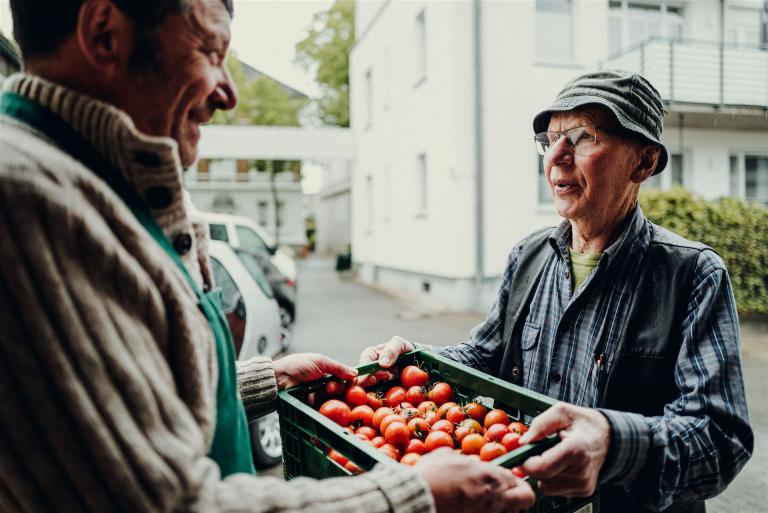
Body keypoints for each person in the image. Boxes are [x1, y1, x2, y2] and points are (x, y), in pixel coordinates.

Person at [0, 1, 536, 512]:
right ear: (104, 34)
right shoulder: (29, 204)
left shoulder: (105, 182)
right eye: (211, 52)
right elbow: (155, 504)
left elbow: (125, 402)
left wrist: (258, 381)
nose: (228, 93)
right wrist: (413, 495)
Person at [360, 70, 753, 513]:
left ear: (643, 162)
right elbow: (484, 355)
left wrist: (613, 444)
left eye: (583, 137)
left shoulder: (692, 274)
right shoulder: (528, 255)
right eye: (550, 140)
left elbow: (721, 439)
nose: (557, 157)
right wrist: (416, 356)